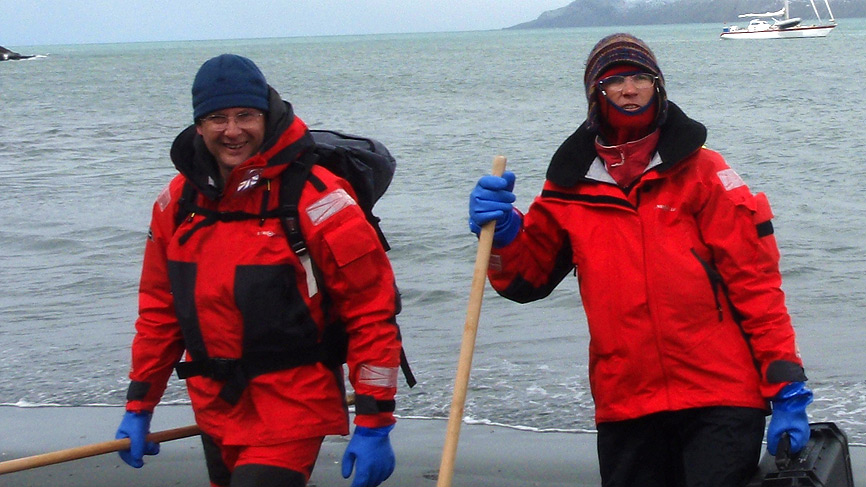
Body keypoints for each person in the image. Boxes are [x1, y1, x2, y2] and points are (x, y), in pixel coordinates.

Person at [468, 33, 813, 487]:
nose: (630, 90)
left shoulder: (705, 172)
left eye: (640, 78)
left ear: (658, 86)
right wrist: (504, 235)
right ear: (596, 94)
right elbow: (525, 279)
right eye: (615, 81)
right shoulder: (569, 184)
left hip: (720, 394)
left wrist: (787, 387)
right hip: (625, 402)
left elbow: (756, 284)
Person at [114, 53, 404, 487]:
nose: (232, 131)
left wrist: (375, 419)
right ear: (199, 126)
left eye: (245, 116)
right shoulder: (177, 203)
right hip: (215, 409)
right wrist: (139, 403)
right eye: (217, 118)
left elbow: (371, 312)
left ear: (266, 117)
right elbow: (160, 310)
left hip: (293, 407)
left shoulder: (319, 199)